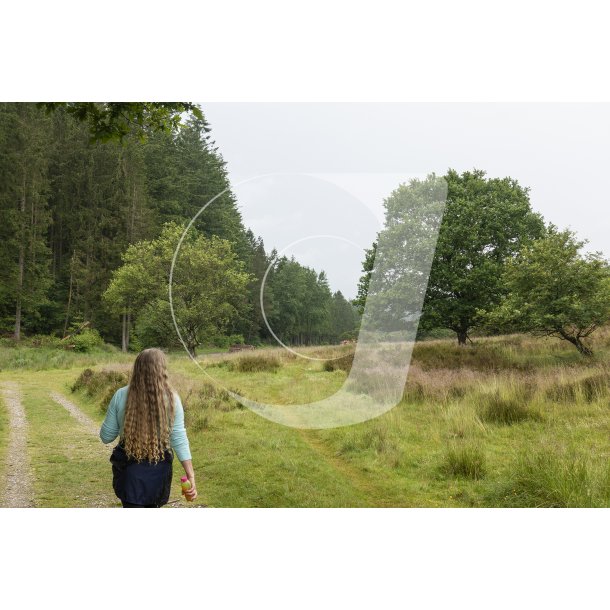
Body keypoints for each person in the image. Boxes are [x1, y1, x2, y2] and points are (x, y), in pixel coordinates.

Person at [99, 348, 197, 508]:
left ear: (136, 369)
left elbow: (106, 436)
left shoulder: (120, 395)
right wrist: (190, 475)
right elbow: (179, 439)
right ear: (162, 370)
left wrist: (118, 416)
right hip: (159, 472)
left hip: (128, 473)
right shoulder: (173, 399)